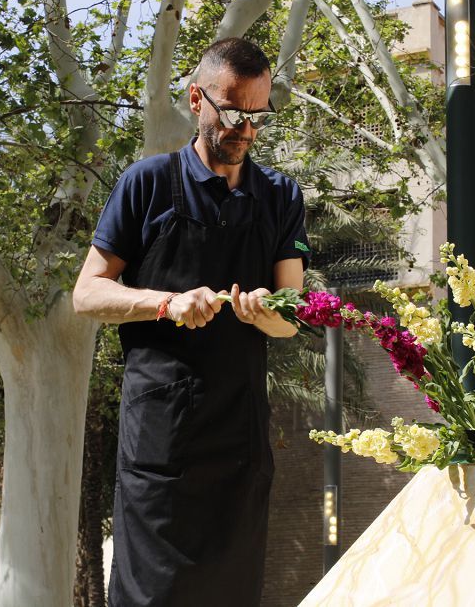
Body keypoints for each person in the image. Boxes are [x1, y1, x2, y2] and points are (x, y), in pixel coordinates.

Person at [72, 37, 310, 606]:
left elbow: (292, 316)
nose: (245, 129)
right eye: (232, 113)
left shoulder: (280, 196)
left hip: (239, 445)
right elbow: (87, 294)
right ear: (196, 98)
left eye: (257, 116)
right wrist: (165, 302)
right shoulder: (147, 182)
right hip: (160, 450)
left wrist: (264, 314)